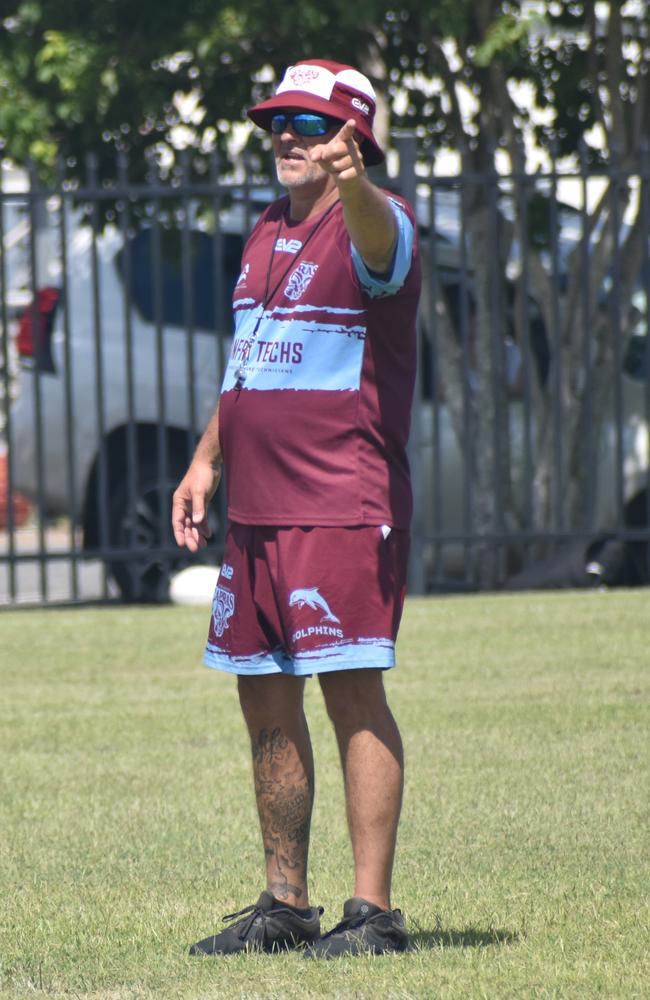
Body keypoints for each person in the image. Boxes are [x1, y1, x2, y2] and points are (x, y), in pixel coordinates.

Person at [172, 58, 421, 958]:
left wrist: (357, 184)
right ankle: (285, 903)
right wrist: (205, 460)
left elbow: (379, 238)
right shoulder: (265, 233)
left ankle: (374, 915)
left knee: (353, 692)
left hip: (339, 506)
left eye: (310, 124)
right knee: (265, 700)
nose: (286, 135)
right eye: (278, 120)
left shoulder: (378, 222)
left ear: (353, 140)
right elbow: (249, 362)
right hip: (257, 514)